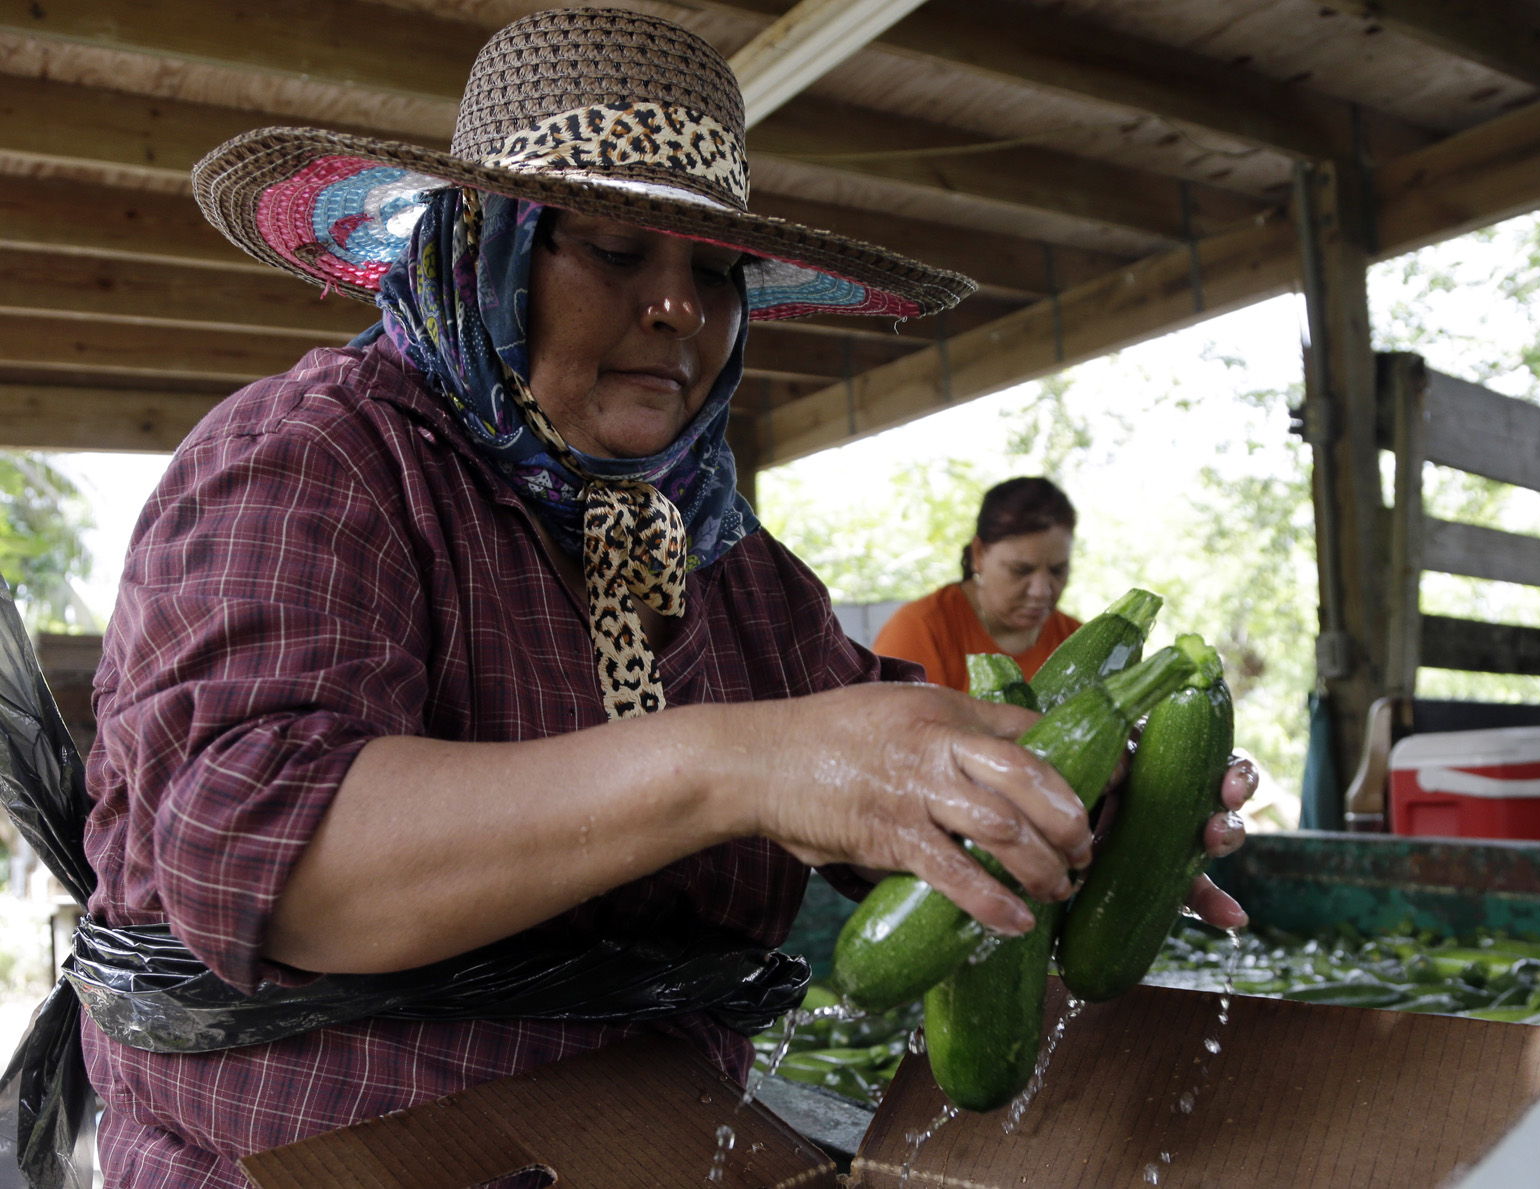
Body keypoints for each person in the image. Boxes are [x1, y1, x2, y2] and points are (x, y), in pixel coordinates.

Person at [73, 10, 1257, 1186]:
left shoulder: (722, 560)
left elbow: (879, 763)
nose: (681, 309)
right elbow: (274, 864)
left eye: (715, 269)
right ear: (482, 246)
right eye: (616, 250)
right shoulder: (314, 460)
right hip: (304, 1162)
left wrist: (1065, 802)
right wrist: (739, 764)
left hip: (654, 1151)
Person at [873, 476, 1083, 692]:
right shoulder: (920, 629)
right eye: (1021, 571)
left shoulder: (1079, 642)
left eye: (1057, 570)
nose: (1041, 591)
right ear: (979, 554)